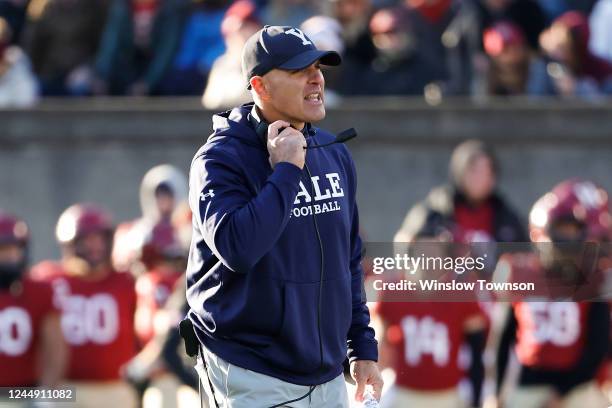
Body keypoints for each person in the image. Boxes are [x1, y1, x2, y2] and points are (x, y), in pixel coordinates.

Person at [185, 25, 382, 407]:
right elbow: (239, 248)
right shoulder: (219, 160)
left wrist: (361, 347)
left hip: (326, 373)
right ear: (260, 87)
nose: (316, 79)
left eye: (318, 68)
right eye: (298, 71)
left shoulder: (332, 151)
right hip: (250, 371)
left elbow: (349, 257)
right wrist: (287, 171)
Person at [491, 179, 610, 408]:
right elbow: (503, 338)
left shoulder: (595, 276)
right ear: (540, 233)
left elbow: (598, 347)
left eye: (573, 232)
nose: (568, 241)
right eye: (562, 232)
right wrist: (496, 392)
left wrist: (561, 394)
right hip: (530, 383)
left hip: (579, 387)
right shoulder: (520, 272)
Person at [32, 203, 138, 408]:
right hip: (65, 388)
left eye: (99, 238)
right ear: (69, 243)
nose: (94, 246)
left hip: (115, 388)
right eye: (87, 239)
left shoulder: (126, 280)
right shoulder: (47, 279)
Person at [395, 139, 526, 246]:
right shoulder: (434, 212)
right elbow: (404, 243)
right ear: (460, 172)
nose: (481, 178)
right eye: (474, 171)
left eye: (488, 171)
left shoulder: (507, 219)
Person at [0, 211, 67, 405]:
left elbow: (55, 348)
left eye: (16, 248)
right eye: (3, 249)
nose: (11, 256)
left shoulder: (38, 290)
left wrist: (47, 393)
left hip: (24, 392)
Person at [202, 0, 261, 110]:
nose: (241, 34)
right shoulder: (222, 64)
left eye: (246, 27)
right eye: (235, 30)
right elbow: (210, 103)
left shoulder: (268, 63)